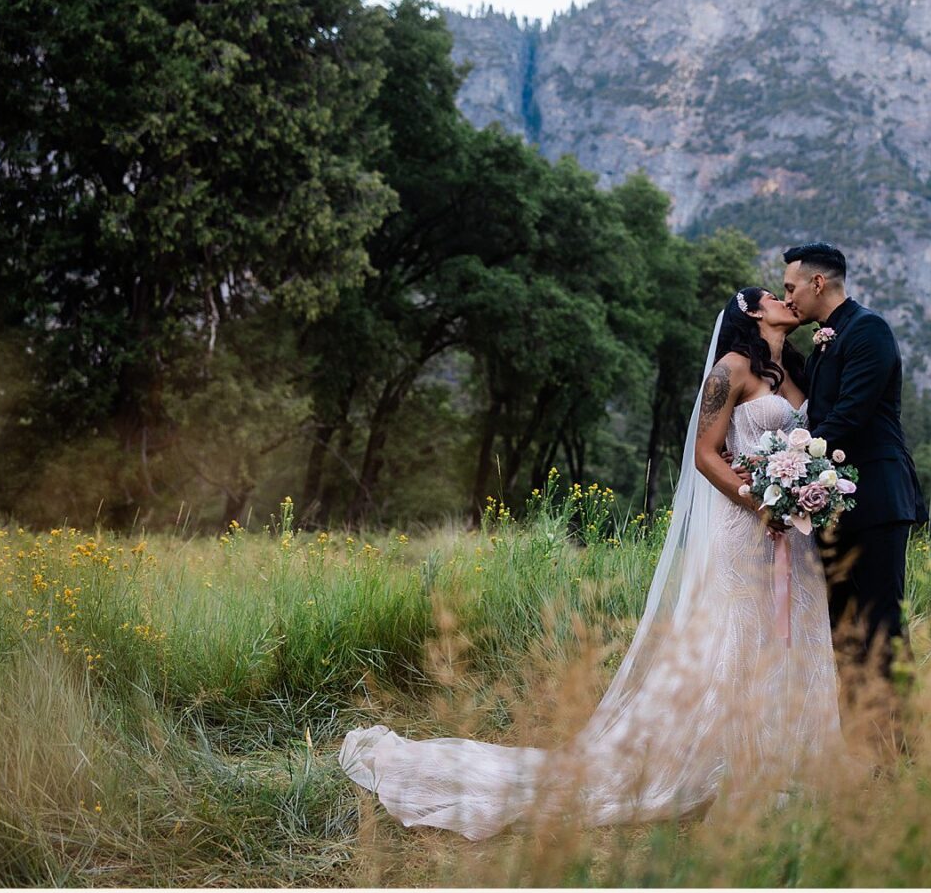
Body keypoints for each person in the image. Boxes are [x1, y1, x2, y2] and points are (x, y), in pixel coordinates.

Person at [339, 287, 842, 839]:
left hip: (792, 537)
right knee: (738, 640)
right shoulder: (729, 370)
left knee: (788, 641)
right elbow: (704, 454)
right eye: (775, 295)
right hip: (743, 528)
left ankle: (785, 765)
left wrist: (798, 496)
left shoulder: (797, 370)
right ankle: (730, 764)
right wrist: (761, 500)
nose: (786, 298)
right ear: (751, 312)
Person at [777, 242, 925, 752]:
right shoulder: (823, 342)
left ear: (819, 283)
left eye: (791, 286)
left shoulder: (869, 331)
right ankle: (862, 747)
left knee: (883, 626)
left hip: (878, 499)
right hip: (831, 506)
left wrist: (790, 470)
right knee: (844, 632)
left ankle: (900, 754)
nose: (787, 296)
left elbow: (849, 416)